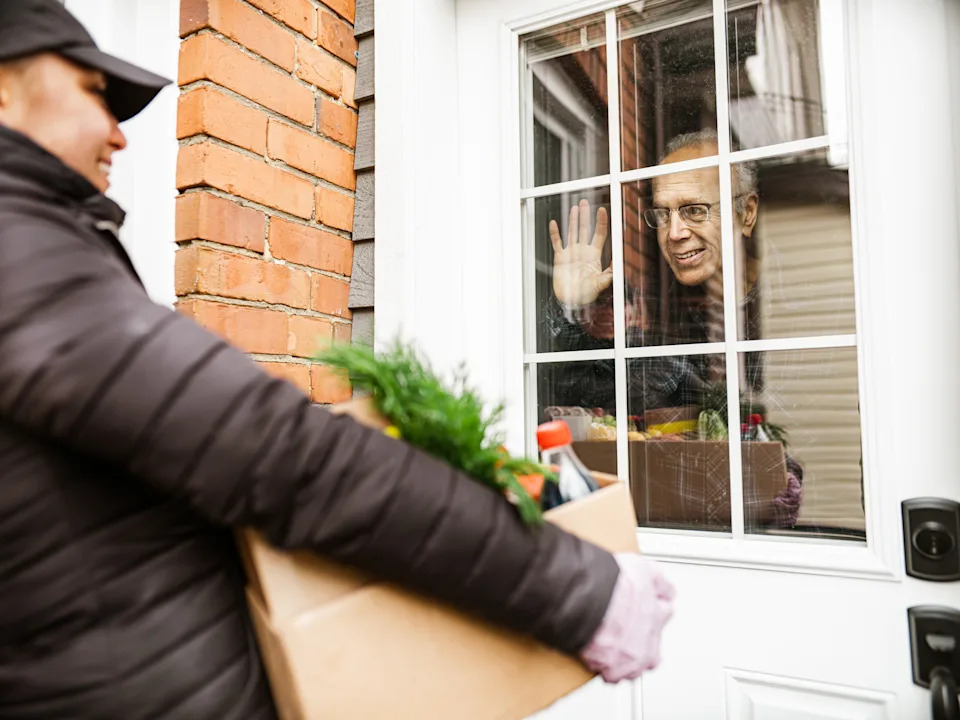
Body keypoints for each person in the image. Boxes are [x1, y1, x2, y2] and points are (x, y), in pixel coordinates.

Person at [0, 2, 674, 717]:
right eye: (94, 92)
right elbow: (279, 455)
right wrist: (576, 589)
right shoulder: (23, 258)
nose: (118, 133)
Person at [543, 130, 803, 527]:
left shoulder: (799, 299)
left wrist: (780, 474)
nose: (674, 232)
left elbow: (771, 419)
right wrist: (570, 308)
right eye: (663, 214)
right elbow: (578, 390)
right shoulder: (650, 326)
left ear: (746, 213)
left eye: (694, 210)